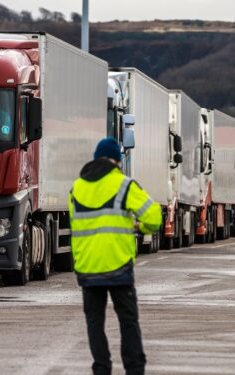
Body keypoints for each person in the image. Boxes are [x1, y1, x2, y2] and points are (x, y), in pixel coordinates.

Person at [68, 138, 162, 375]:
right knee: (128, 321)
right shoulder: (124, 185)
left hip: (88, 267)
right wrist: (139, 228)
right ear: (117, 161)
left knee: (94, 322)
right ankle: (134, 369)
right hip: (118, 265)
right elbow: (154, 217)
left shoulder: (76, 188)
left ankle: (101, 369)